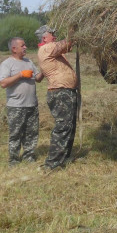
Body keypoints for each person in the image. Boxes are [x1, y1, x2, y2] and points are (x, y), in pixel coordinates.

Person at [36, 25, 79, 171]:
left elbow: (67, 45)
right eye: (51, 34)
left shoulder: (50, 49)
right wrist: (73, 28)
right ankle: (52, 163)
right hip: (60, 93)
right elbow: (68, 42)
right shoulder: (46, 48)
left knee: (69, 125)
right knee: (63, 126)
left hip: (65, 92)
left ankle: (64, 158)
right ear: (44, 38)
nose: (54, 36)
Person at [0, 37, 44, 166]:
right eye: (22, 45)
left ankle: (29, 156)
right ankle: (14, 159)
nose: (25, 47)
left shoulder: (29, 62)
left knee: (32, 133)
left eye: (25, 45)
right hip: (16, 106)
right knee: (16, 133)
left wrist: (45, 69)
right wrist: (20, 75)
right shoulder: (7, 64)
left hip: (32, 104)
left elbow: (38, 78)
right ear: (14, 49)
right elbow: (3, 83)